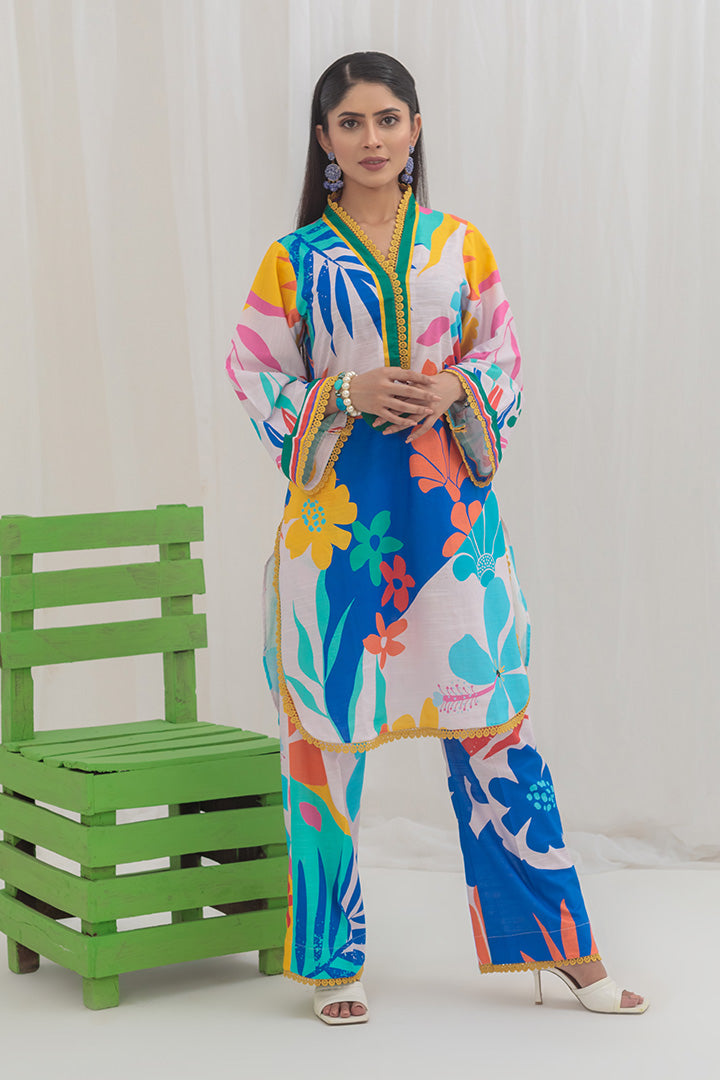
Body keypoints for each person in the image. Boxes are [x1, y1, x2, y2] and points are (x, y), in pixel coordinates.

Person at [225, 51, 647, 1024]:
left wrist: (459, 386)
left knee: (497, 732)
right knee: (323, 744)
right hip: (336, 545)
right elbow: (253, 373)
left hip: (456, 542)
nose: (371, 138)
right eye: (350, 123)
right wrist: (345, 392)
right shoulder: (293, 261)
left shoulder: (462, 248)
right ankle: (331, 958)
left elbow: (505, 359)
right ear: (324, 140)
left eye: (387, 119)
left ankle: (561, 947)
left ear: (415, 128)